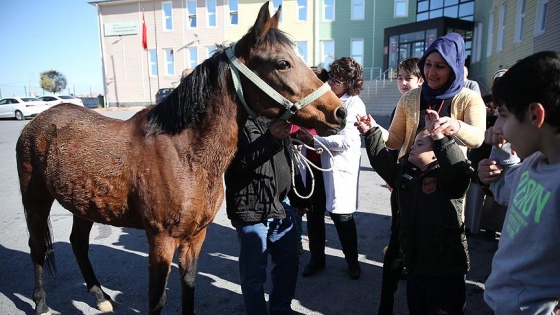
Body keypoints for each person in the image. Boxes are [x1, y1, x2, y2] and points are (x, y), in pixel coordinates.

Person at [356, 108, 472, 315]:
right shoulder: (405, 174)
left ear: (437, 154)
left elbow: (457, 169)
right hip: (415, 265)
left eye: (419, 144)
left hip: (445, 268)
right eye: (413, 144)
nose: (411, 148)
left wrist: (438, 137)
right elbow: (383, 162)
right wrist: (371, 132)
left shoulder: (448, 179)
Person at [477, 51, 560, 315]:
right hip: (501, 302)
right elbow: (503, 190)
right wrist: (497, 157)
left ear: (535, 115)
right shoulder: (534, 162)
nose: (498, 127)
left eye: (504, 115)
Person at [224, 116, 304, 315]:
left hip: (281, 203)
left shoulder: (275, 117)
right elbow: (235, 167)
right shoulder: (233, 120)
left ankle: (281, 309)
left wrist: (301, 197)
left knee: (288, 263)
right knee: (253, 273)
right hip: (251, 207)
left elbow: (290, 160)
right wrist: (271, 138)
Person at [297, 57, 366, 280]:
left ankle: (352, 262)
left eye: (338, 80)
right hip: (315, 165)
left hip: (336, 169)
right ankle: (317, 259)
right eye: (332, 79)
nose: (332, 84)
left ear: (350, 83)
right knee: (315, 216)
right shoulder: (326, 97)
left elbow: (347, 141)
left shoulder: (353, 104)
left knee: (342, 218)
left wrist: (314, 141)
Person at [383, 32, 486, 159]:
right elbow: (394, 141)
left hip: (450, 176)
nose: (431, 72)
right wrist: (373, 129)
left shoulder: (469, 98)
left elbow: (478, 139)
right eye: (428, 64)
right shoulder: (409, 98)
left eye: (440, 66)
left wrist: (457, 127)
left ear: (454, 69)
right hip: (411, 176)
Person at [378, 56, 423, 315]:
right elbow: (395, 141)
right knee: (400, 226)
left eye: (409, 78)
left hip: (419, 176)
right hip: (401, 175)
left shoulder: (420, 102)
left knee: (408, 229)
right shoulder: (402, 103)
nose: (404, 83)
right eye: (400, 78)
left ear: (420, 79)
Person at [464, 69, 508, 235]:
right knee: (475, 190)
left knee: (495, 195)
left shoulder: (515, 103)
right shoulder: (484, 100)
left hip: (502, 154)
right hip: (480, 152)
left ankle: (491, 227)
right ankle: (471, 226)